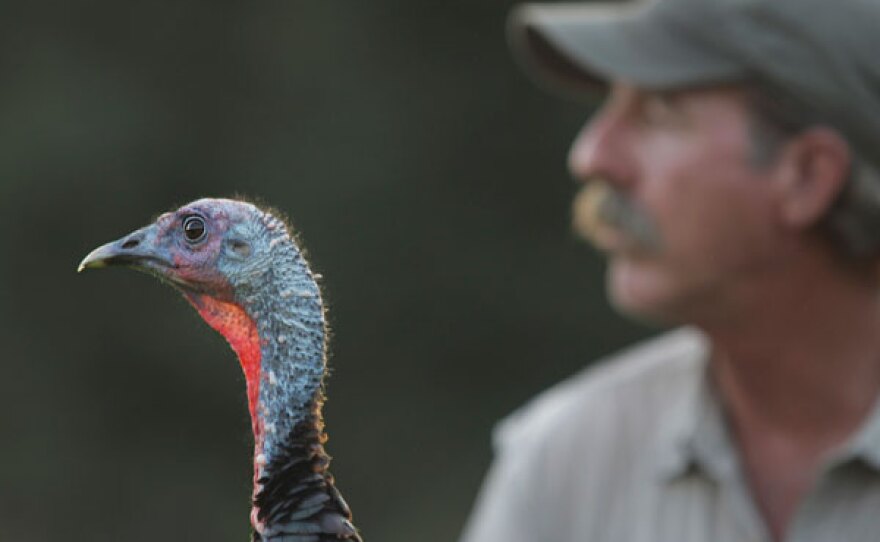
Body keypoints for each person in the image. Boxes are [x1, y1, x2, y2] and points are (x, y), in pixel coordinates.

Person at [459, 0, 880, 541]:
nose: (592, 156)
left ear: (807, 176)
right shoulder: (563, 464)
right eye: (613, 103)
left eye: (658, 112)